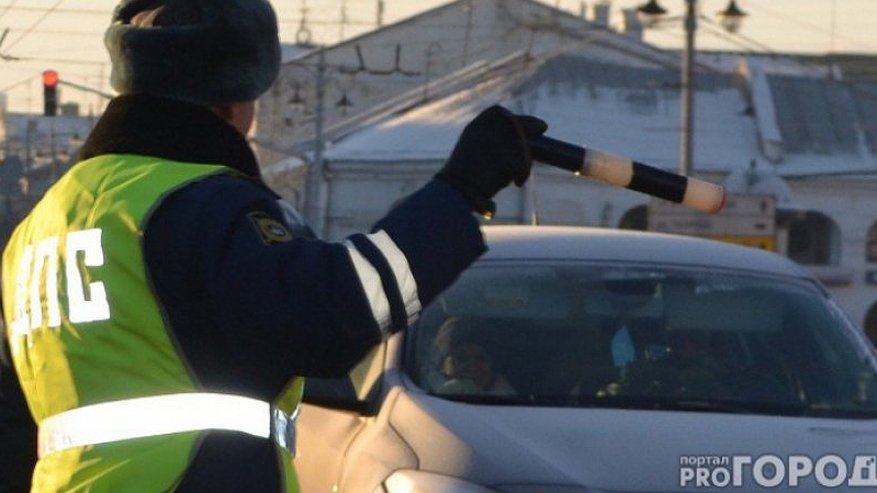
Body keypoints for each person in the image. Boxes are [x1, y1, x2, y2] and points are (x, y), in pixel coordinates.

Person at [0, 0, 548, 491]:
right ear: (230, 103)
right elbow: (331, 316)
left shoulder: (40, 227)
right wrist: (461, 190)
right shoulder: (201, 203)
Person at [433, 317, 516, 396]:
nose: (472, 366)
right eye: (463, 358)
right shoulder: (426, 397)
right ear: (449, 363)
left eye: (481, 358)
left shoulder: (511, 404)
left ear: (493, 365)